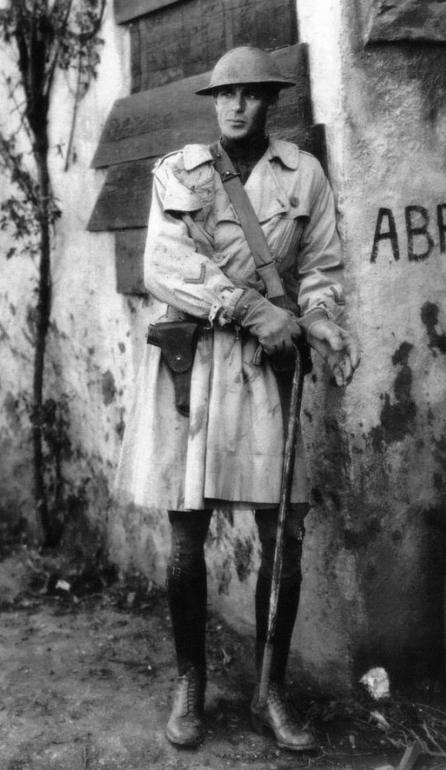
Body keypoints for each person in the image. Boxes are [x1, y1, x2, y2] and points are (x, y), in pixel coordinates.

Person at [116, 46, 360, 751]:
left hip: (268, 369)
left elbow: (320, 268)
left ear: (270, 102)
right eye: (225, 95)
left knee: (282, 538)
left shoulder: (302, 174)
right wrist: (254, 310)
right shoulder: (178, 171)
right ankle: (190, 682)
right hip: (193, 365)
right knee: (186, 538)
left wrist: (317, 316)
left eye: (250, 95)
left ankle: (270, 690)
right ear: (212, 102)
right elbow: (163, 265)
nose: (236, 106)